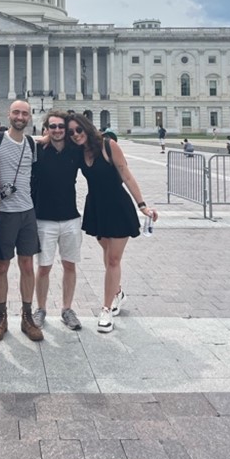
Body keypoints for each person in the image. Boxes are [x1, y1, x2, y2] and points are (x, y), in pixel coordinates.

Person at [67, 113, 158, 334]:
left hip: (117, 206)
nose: (75, 135)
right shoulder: (79, 151)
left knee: (114, 259)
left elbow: (126, 175)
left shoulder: (109, 145)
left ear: (87, 128)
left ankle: (106, 309)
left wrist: (142, 205)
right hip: (96, 207)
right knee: (108, 254)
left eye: (79, 130)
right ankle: (117, 293)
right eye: (71, 132)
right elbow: (50, 140)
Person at [0, 100, 43, 342]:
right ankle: (1, 316)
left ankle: (27, 315)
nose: (20, 116)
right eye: (16, 112)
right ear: (9, 115)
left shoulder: (31, 144)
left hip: (27, 212)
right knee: (2, 267)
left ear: (29, 117)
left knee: (28, 265)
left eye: (25, 113)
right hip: (3, 213)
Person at [32, 111, 83, 331]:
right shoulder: (38, 150)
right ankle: (41, 308)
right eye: (52, 127)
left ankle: (67, 309)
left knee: (70, 265)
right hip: (44, 219)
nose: (57, 130)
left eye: (61, 127)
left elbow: (95, 143)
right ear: (46, 129)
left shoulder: (75, 150)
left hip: (71, 217)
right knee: (44, 267)